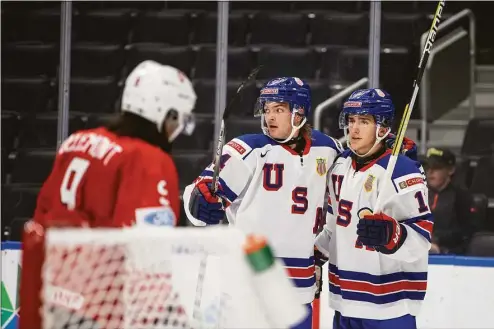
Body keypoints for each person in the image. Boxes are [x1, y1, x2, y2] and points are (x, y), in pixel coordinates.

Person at [19, 60, 197, 329]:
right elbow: (147, 249)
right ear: (165, 113)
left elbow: (41, 216)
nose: (177, 130)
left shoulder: (77, 141)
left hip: (52, 297)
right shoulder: (148, 159)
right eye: (178, 119)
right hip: (100, 307)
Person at [182, 77, 344, 329]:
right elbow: (199, 194)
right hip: (248, 284)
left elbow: (354, 184)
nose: (270, 117)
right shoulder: (248, 149)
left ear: (299, 113)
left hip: (298, 287)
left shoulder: (328, 149)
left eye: (279, 109)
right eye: (267, 109)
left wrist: (390, 156)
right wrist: (199, 200)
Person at [314, 88, 433, 329]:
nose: (354, 129)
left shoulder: (402, 171)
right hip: (344, 301)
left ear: (382, 127)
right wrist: (314, 259)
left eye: (364, 121)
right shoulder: (339, 167)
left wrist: (393, 235)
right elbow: (333, 227)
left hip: (389, 306)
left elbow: (422, 238)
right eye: (351, 121)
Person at [424, 147, 478, 254]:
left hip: (448, 252)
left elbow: (465, 232)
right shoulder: (417, 193)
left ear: (450, 170)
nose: (430, 171)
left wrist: (437, 240)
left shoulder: (461, 196)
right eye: (428, 167)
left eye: (436, 167)